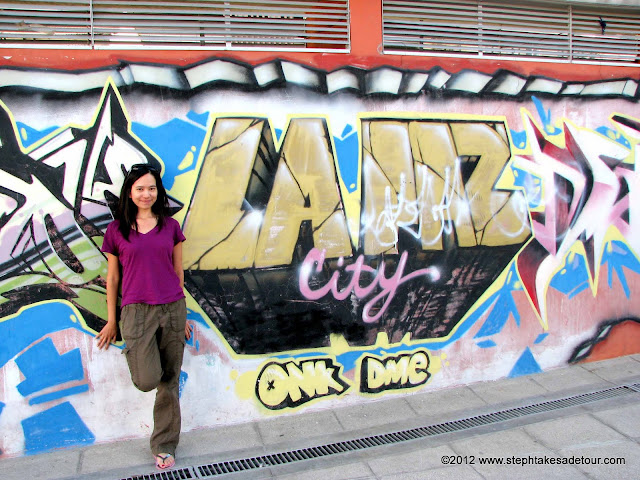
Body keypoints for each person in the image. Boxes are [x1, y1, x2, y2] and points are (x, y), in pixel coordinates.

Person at [96, 163, 192, 470]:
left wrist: (182, 315)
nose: (146, 194)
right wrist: (112, 321)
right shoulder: (117, 231)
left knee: (170, 381)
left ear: (158, 192)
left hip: (173, 308)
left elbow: (177, 271)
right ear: (130, 193)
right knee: (148, 379)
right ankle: (139, 355)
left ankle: (164, 444)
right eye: (140, 188)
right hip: (136, 313)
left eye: (151, 188)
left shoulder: (170, 227)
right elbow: (113, 278)